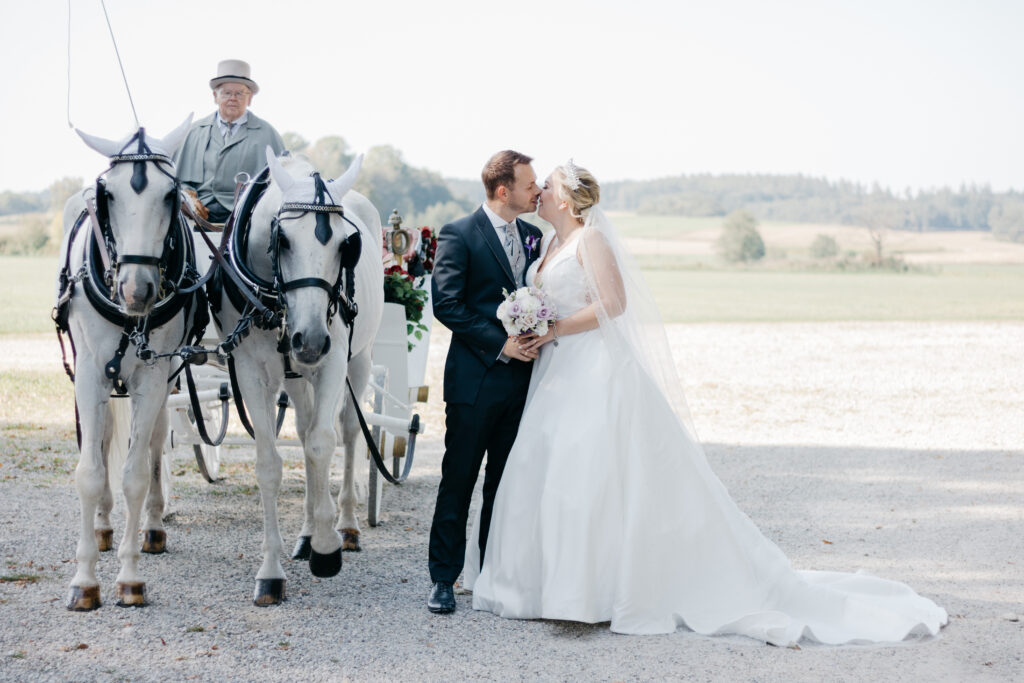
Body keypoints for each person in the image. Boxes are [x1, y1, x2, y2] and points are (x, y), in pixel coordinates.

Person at [463, 161, 948, 645]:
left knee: (594, 467)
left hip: (593, 368)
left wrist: (555, 329)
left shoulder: (591, 240)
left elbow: (613, 304)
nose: (540, 191)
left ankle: (600, 590)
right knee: (553, 471)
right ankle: (551, 587)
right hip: (555, 374)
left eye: (546, 186)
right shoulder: (549, 244)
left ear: (566, 199)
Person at [426, 150, 544, 614]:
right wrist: (502, 344)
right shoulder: (459, 233)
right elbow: (447, 305)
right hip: (476, 380)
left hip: (526, 382)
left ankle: (492, 573)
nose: (537, 191)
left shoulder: (535, 237)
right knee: (458, 479)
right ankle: (442, 578)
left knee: (505, 482)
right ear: (503, 190)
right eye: (529, 184)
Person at [174, 59, 285, 223]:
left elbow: (279, 186)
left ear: (250, 98)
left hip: (248, 217)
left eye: (240, 93)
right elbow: (178, 181)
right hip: (196, 217)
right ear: (215, 96)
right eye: (226, 93)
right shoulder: (193, 132)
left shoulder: (268, 134)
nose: (233, 98)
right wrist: (189, 200)